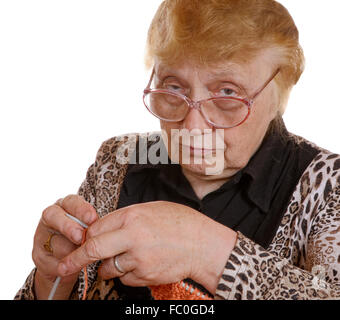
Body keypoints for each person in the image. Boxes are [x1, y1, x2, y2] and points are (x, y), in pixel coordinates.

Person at [15, 0, 340, 300]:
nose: (192, 127)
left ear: (281, 92)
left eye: (227, 92)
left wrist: (208, 252)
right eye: (173, 87)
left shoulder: (328, 185)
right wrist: (53, 278)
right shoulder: (119, 159)